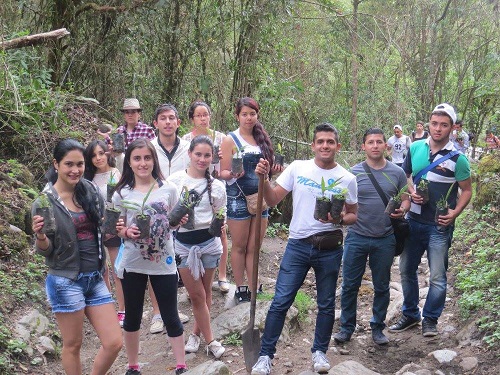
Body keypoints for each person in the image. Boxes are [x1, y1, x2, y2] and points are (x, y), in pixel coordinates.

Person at [250, 123, 358, 375]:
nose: (325, 146)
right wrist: (264, 179)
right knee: (280, 302)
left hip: (330, 247)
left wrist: (338, 219)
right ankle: (265, 356)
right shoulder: (298, 168)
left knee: (327, 303)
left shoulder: (347, 178)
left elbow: (354, 214)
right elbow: (272, 198)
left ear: (338, 146)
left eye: (330, 142)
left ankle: (319, 352)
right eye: (320, 141)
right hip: (298, 245)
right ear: (313, 145)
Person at [31, 139, 122, 375]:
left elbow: (103, 228)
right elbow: (45, 251)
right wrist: (40, 236)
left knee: (114, 342)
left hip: (95, 277)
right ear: (56, 164)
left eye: (80, 164)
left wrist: (116, 227)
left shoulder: (89, 191)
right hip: (65, 280)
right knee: (73, 344)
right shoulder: (44, 202)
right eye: (69, 164)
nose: (75, 170)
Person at [389, 103, 472, 337]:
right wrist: (411, 191)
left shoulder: (458, 158)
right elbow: (407, 175)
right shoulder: (415, 148)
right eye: (434, 124)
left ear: (452, 128)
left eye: (444, 125)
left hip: (440, 225)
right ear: (429, 124)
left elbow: (466, 191)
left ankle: (431, 320)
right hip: (413, 221)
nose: (437, 129)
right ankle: (411, 314)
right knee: (406, 269)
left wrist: (454, 214)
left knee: (437, 275)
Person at [113, 138, 187, 375]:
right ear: (129, 163)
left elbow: (174, 222)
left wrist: (179, 221)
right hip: (132, 262)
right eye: (137, 158)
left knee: (170, 314)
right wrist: (125, 231)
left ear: (154, 160)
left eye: (147, 158)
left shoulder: (169, 189)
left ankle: (181, 366)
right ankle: (133, 366)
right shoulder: (121, 192)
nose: (143, 163)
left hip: (163, 261)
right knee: (132, 315)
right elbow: (115, 227)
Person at [332, 128, 410, 346]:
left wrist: (402, 209)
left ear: (386, 146)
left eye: (379, 142)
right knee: (349, 285)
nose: (375, 146)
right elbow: (343, 203)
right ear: (363, 146)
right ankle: (347, 327)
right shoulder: (352, 173)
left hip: (385, 237)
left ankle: (377, 327)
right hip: (356, 235)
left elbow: (406, 199)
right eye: (370, 142)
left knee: (382, 285)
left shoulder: (397, 172)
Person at [167, 135, 227, 359]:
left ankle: (195, 333)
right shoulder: (175, 180)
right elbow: (165, 214)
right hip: (183, 245)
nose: (202, 159)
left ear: (212, 158)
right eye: (198, 154)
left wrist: (222, 221)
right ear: (190, 154)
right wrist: (175, 220)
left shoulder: (218, 187)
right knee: (197, 295)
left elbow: (221, 216)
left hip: (210, 245)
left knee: (205, 292)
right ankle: (211, 340)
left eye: (207, 155)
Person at [219, 97, 281, 303]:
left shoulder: (263, 138)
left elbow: (269, 170)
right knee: (239, 245)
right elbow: (223, 172)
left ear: (257, 115)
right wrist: (233, 174)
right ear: (237, 116)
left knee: (255, 245)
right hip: (237, 197)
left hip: (261, 198)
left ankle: (255, 287)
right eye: (244, 114)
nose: (248, 118)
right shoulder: (230, 140)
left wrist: (275, 169)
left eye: (252, 114)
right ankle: (241, 287)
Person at [150, 103, 191, 332]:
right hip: (154, 209)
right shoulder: (149, 148)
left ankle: (171, 310)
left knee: (172, 262)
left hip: (181, 210)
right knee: (155, 258)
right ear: (155, 123)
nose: (168, 122)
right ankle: (157, 314)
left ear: (178, 122)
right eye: (163, 118)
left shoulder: (188, 148)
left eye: (172, 118)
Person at [182, 101, 230, 293]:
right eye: (198, 115)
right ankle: (192, 277)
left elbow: (227, 168)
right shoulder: (186, 140)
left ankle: (222, 275)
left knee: (220, 230)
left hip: (216, 188)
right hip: (193, 191)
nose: (203, 118)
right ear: (192, 118)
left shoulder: (221, 138)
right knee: (190, 229)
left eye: (206, 114)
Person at [83, 140, 125, 326]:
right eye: (94, 155)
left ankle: (123, 310)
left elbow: (122, 200)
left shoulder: (116, 173)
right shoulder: (87, 181)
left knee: (117, 269)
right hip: (95, 227)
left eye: (101, 153)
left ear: (107, 153)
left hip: (115, 226)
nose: (98, 158)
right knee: (103, 270)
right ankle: (108, 308)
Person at [99, 98, 156, 172]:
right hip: (123, 169)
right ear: (124, 115)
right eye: (127, 112)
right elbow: (114, 150)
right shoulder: (119, 131)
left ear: (139, 114)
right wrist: (106, 137)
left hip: (142, 168)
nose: (130, 115)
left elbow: (155, 151)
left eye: (133, 112)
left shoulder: (147, 130)